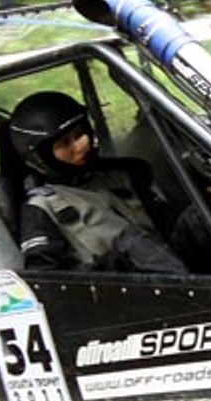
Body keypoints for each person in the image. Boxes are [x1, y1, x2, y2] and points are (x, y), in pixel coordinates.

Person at [10, 91, 189, 274]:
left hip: (174, 262)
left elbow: (168, 224)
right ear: (40, 158)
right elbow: (47, 280)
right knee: (133, 242)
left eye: (80, 134)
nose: (82, 144)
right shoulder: (41, 208)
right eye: (65, 143)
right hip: (125, 289)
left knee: (195, 218)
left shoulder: (124, 173)